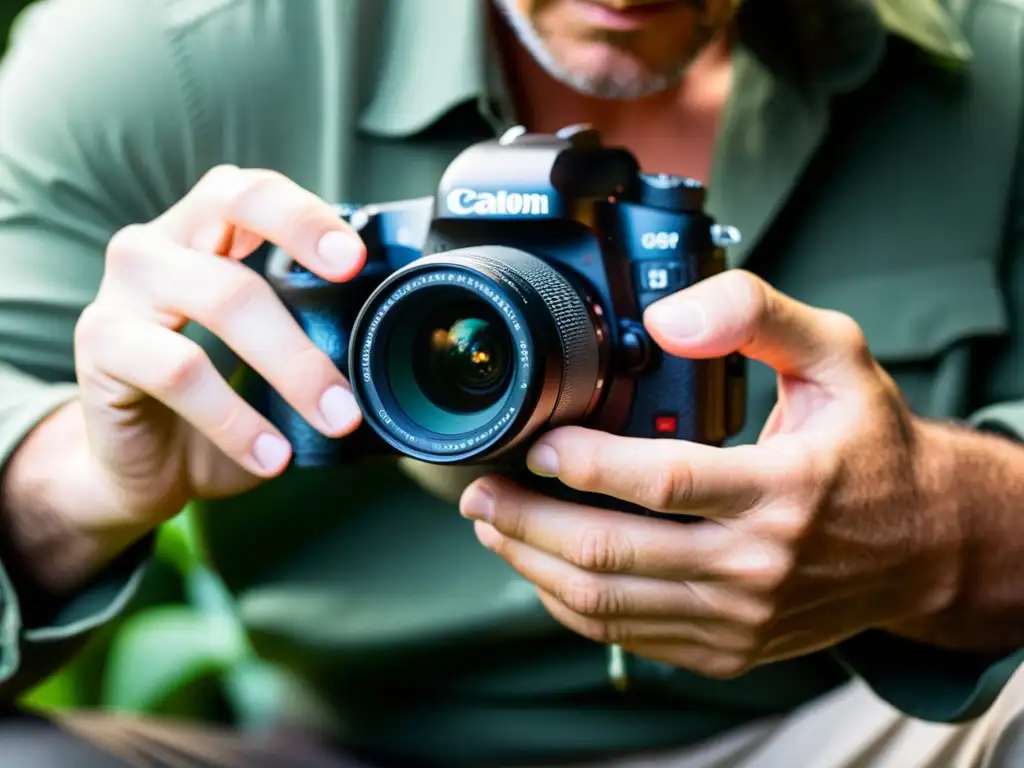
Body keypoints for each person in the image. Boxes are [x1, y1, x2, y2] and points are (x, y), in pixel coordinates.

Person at [1, 0, 1024, 765]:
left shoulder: (994, 61)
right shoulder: (161, 59)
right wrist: (79, 483)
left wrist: (938, 533)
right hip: (348, 751)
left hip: (835, 735)